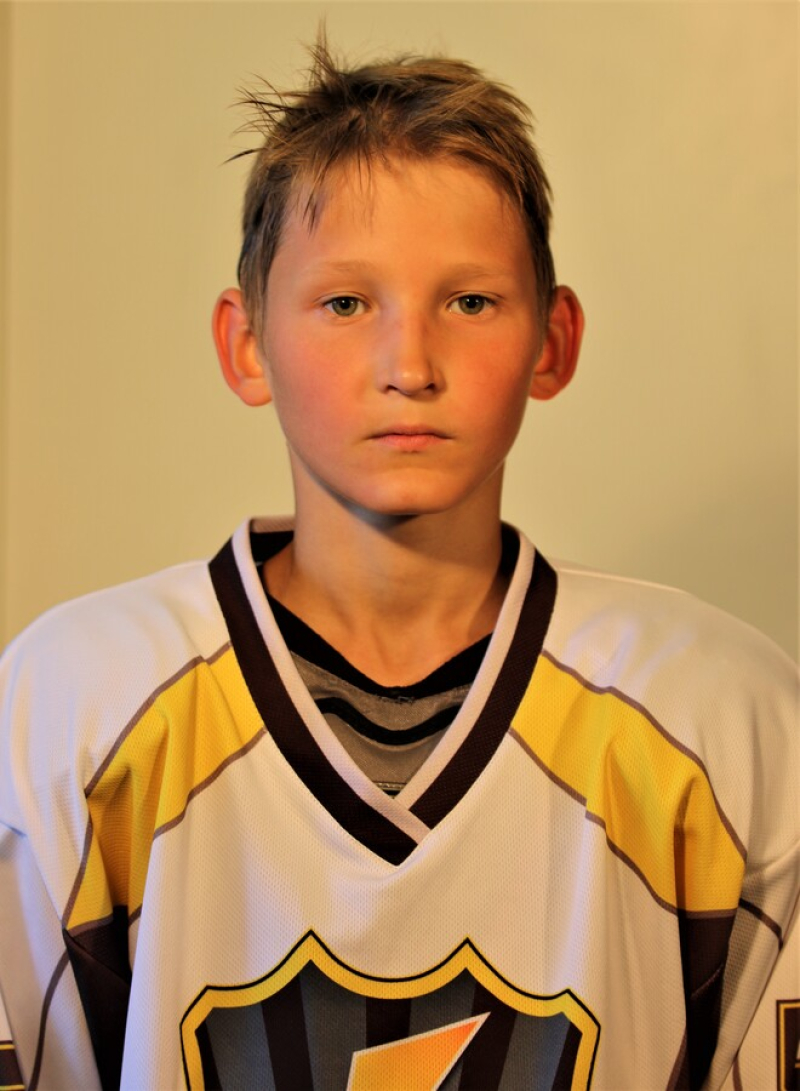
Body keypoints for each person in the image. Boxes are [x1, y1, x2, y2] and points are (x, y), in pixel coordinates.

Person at [0, 38, 797, 1091]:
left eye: (469, 302)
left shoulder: (723, 716)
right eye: (345, 304)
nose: (409, 366)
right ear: (246, 343)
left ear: (553, 339)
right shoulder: (69, 706)